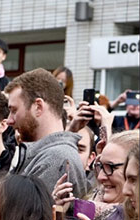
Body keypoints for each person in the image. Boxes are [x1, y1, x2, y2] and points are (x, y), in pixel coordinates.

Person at [6, 68, 87, 198]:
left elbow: (18, 216)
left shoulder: (56, 159)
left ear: (38, 107)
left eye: (14, 110)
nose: (9, 120)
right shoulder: (47, 155)